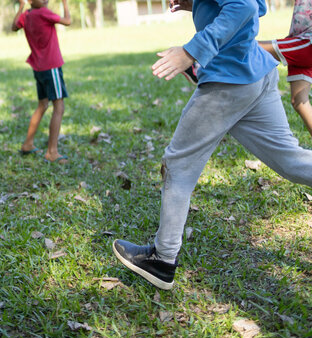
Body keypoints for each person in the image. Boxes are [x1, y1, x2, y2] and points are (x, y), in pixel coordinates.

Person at [112, 0, 312, 290]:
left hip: (228, 83)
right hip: (254, 71)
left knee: (178, 164)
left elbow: (242, 7)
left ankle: (162, 259)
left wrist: (190, 51)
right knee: (292, 161)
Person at [12, 0, 71, 163]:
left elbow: (14, 26)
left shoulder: (27, 15)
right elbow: (68, 21)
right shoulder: (44, 13)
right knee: (59, 106)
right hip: (51, 66)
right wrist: (65, 3)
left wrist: (22, 6)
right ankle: (52, 152)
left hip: (38, 67)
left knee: (43, 104)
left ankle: (28, 144)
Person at [259, 0, 312, 137]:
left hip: (307, 41)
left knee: (251, 47)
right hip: (299, 35)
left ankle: (201, 61)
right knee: (299, 100)